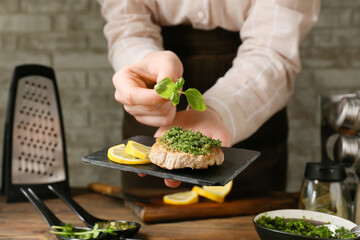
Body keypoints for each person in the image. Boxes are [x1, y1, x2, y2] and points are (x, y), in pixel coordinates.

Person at [98, 0, 321, 192]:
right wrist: (144, 70)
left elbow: (274, 49)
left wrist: (220, 110)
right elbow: (127, 26)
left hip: (252, 101)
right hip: (154, 113)